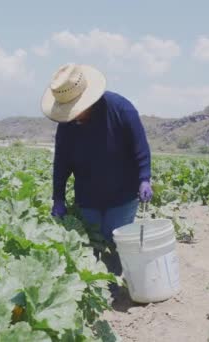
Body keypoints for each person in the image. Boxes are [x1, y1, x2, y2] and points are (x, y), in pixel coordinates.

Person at [41, 63, 153, 270]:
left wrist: (144, 178)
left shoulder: (121, 109)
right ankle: (97, 286)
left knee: (116, 240)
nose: (72, 115)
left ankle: (117, 284)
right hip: (87, 195)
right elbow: (61, 163)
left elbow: (140, 147)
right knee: (92, 243)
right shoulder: (66, 125)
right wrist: (58, 197)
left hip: (122, 193)